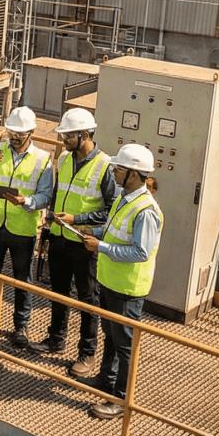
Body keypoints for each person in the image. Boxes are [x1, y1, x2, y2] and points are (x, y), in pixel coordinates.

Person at [31, 108, 118, 381]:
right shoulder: (65, 158)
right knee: (59, 293)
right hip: (60, 238)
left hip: (84, 244)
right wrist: (50, 219)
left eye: (69, 135)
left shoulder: (105, 166)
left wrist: (77, 219)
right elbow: (59, 193)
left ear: (85, 135)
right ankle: (55, 339)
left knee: (88, 299)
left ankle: (86, 354)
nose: (64, 139)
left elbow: (111, 211)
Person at [81, 144, 163, 420]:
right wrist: (93, 232)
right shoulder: (124, 198)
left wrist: (101, 247)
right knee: (111, 336)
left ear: (134, 174)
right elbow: (112, 229)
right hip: (110, 281)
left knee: (125, 346)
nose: (114, 172)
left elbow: (140, 252)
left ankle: (121, 400)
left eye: (119, 169)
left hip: (127, 289)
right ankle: (106, 379)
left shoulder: (146, 211)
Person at [0, 107, 52, 347]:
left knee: (22, 280)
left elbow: (46, 196)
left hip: (22, 228)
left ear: (31, 132)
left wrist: (26, 201)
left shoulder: (43, 159)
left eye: (20, 133)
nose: (14, 137)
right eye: (11, 132)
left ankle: (21, 326)